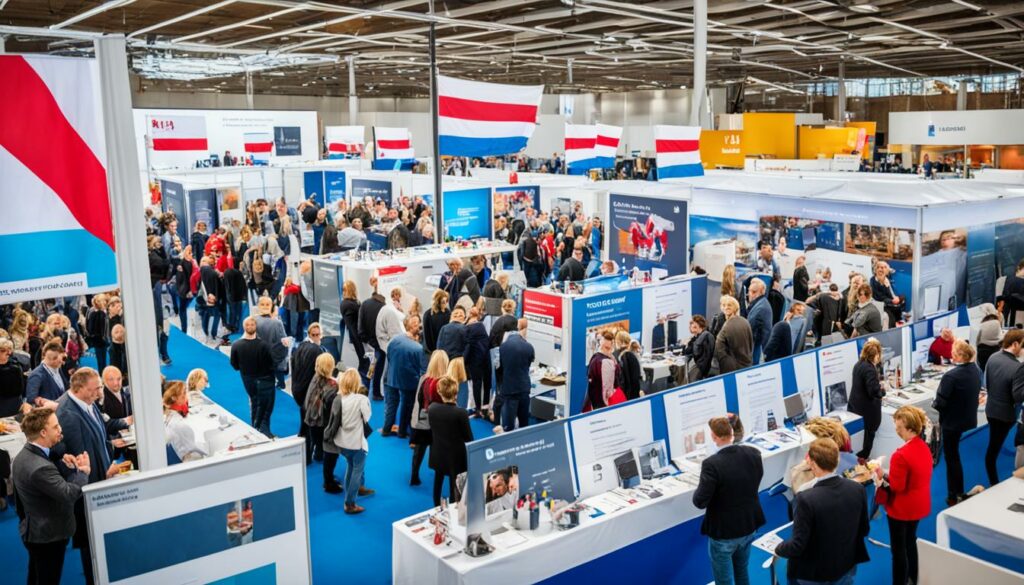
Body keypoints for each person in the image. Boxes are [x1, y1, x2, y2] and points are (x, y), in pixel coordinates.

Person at [55, 367, 129, 585]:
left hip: (104, 477)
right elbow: (80, 460)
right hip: (90, 491)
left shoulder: (88, 402)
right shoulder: (68, 414)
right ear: (78, 388)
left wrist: (110, 449)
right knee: (91, 544)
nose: (99, 392)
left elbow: (98, 434)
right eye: (95, 388)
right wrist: (103, 477)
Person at [774, 438, 870, 585]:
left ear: (812, 463)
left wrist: (778, 548)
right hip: (846, 565)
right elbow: (864, 529)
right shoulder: (857, 489)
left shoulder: (805, 499)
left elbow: (797, 546)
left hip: (814, 574)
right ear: (837, 460)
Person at [12, 407, 90, 585]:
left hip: (33, 530)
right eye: (55, 427)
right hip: (49, 536)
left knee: (36, 577)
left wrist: (61, 457)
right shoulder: (40, 468)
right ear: (43, 432)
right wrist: (83, 472)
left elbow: (45, 457)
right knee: (48, 579)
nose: (60, 429)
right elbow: (68, 493)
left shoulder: (22, 456)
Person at [692, 416, 765, 585]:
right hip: (748, 525)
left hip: (724, 532)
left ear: (713, 436)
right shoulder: (753, 453)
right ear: (732, 433)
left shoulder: (711, 464)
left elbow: (699, 501)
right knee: (742, 571)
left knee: (724, 580)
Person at [875, 406, 933, 585]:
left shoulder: (900, 455)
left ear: (910, 428)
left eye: (899, 428)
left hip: (901, 509)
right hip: (919, 504)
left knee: (898, 551)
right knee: (911, 542)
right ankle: (914, 577)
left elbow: (897, 487)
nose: (897, 431)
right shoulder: (923, 446)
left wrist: (881, 476)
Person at [933, 340, 981, 506]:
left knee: (952, 458)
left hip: (951, 423)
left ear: (960, 355)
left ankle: (954, 494)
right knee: (956, 456)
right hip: (968, 419)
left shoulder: (951, 376)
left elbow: (939, 403)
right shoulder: (976, 370)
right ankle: (956, 491)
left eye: (954, 352)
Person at [324, 368, 374, 514]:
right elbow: (368, 417)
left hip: (341, 443)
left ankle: (351, 496)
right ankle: (350, 503)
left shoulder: (339, 398)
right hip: (356, 443)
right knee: (356, 471)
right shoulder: (361, 400)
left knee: (350, 468)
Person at [984, 329, 1024, 486]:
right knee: (993, 451)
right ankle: (994, 484)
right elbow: (1018, 396)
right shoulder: (1018, 367)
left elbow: (987, 383)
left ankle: (993, 481)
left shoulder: (993, 357)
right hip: (1005, 415)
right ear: (1015, 344)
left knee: (992, 448)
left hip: (991, 410)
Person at [428, 376, 473, 506]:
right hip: (456, 457)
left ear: (439, 391)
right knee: (455, 485)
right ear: (456, 392)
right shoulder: (461, 413)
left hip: (438, 452)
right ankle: (454, 507)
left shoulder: (432, 408)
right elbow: (469, 438)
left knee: (438, 480)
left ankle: (436, 505)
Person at [230, 317, 276, 437]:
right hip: (263, 379)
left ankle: (256, 430)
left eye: (252, 324)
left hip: (248, 379)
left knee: (255, 403)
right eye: (248, 324)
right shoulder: (264, 345)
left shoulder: (236, 345)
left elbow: (234, 365)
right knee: (265, 407)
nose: (250, 327)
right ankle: (264, 432)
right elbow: (272, 364)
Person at [383, 315, 427, 439]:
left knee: (391, 404)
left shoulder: (394, 340)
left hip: (392, 377)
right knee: (407, 406)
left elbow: (389, 358)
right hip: (409, 382)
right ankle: (402, 431)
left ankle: (386, 429)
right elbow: (422, 369)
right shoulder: (418, 349)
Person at [303, 353, 341, 492]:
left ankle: (326, 473)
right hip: (324, 424)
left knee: (321, 449)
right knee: (331, 454)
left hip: (312, 421)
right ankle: (329, 482)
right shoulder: (333, 386)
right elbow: (335, 409)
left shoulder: (315, 378)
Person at [411, 350, 449, 486]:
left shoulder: (424, 379)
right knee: (438, 449)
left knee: (419, 450)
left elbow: (418, 400)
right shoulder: (445, 382)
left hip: (423, 419)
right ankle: (438, 475)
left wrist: (415, 421)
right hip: (439, 422)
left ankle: (414, 475)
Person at [291, 322, 326, 463]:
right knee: (312, 426)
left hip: (298, 391)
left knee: (306, 424)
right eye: (314, 335)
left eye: (318, 335)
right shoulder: (318, 351)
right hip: (309, 394)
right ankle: (312, 455)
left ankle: (309, 455)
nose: (317, 337)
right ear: (310, 335)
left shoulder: (300, 347)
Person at [849, 339, 886, 461]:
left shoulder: (858, 364)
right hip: (868, 412)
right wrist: (882, 391)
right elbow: (873, 392)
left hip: (856, 408)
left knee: (859, 441)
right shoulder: (870, 369)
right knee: (866, 444)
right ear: (876, 355)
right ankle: (862, 463)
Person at [499, 319, 535, 432]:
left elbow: (500, 368)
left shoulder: (502, 347)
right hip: (524, 388)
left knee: (508, 426)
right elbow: (528, 364)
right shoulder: (529, 347)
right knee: (524, 423)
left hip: (509, 390)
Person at [358, 276, 387, 401]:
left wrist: (366, 339)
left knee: (370, 368)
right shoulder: (384, 307)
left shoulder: (365, 304)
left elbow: (360, 325)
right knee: (377, 368)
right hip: (380, 343)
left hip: (369, 342)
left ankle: (367, 390)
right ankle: (375, 392)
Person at [162, 381, 206, 463]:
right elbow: (194, 454)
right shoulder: (180, 425)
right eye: (184, 393)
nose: (187, 397)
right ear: (174, 398)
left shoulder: (168, 419)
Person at [254, 296, 290, 390]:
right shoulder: (277, 323)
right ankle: (280, 384)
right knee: (278, 371)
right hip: (275, 354)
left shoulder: (255, 320)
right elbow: (284, 340)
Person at [340, 280, 370, 386]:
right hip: (357, 337)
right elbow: (352, 326)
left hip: (358, 337)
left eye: (345, 289)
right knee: (364, 361)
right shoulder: (348, 304)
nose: (343, 291)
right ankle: (363, 384)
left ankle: (361, 383)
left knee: (364, 361)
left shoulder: (353, 303)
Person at [714, 296, 753, 374]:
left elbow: (718, 349)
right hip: (747, 364)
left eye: (729, 305)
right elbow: (751, 343)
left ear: (735, 307)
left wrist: (726, 363)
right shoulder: (745, 321)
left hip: (732, 369)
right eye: (724, 305)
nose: (726, 307)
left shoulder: (727, 325)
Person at [26, 339, 68, 404]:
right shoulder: (37, 375)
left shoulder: (58, 368)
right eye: (62, 358)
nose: (63, 362)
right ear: (53, 359)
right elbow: (31, 399)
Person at [744, 279, 772, 364]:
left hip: (756, 351)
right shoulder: (760, 303)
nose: (748, 294)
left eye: (751, 292)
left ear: (758, 293)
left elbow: (750, 331)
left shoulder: (761, 308)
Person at [682, 315, 715, 381]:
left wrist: (700, 373)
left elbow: (707, 357)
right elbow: (686, 352)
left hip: (702, 369)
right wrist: (684, 345)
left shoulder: (707, 336)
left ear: (701, 325)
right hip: (696, 367)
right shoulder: (694, 338)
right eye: (692, 324)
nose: (693, 325)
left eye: (696, 323)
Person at [871, 261, 903, 327]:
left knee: (903, 298)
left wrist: (896, 298)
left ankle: (899, 320)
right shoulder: (873, 281)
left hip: (890, 299)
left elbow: (891, 270)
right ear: (875, 270)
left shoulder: (887, 279)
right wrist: (892, 301)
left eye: (883, 268)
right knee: (891, 319)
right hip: (882, 304)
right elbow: (879, 297)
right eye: (878, 268)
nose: (880, 269)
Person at [975, 303, 1004, 370]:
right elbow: (1001, 338)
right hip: (995, 351)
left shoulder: (981, 324)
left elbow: (977, 340)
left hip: (983, 352)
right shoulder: (997, 321)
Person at [615, 331, 642, 400]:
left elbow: (630, 377)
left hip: (630, 394)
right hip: (632, 392)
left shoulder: (626, 355)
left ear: (619, 341)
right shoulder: (630, 354)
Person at [421, 289, 450, 354]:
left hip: (445, 348)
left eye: (446, 301)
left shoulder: (448, 312)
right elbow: (427, 335)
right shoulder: (428, 314)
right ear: (437, 302)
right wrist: (432, 351)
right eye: (443, 302)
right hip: (432, 349)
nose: (446, 304)